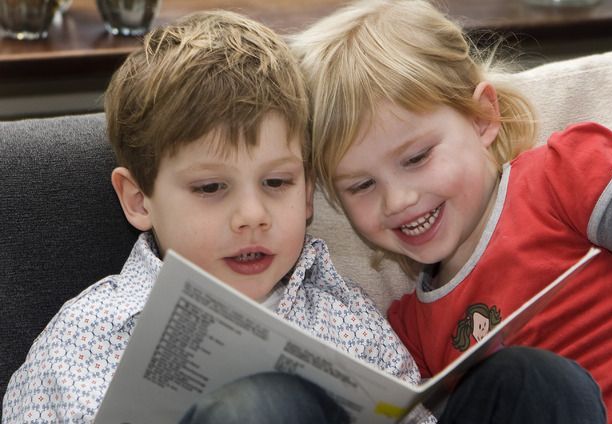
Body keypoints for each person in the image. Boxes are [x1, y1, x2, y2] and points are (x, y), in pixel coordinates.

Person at [1, 10, 429, 424]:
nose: (252, 216)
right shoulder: (86, 338)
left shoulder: (346, 317)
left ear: (308, 193)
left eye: (277, 183)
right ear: (138, 200)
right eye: (210, 188)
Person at [290, 1, 612, 423]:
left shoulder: (564, 175)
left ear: (482, 118)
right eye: (362, 185)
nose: (398, 200)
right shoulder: (409, 333)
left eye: (417, 157)